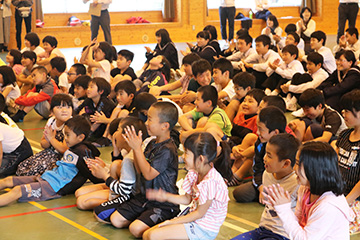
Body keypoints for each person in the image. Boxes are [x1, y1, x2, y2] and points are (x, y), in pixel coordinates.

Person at [94, 102, 180, 239]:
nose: (146, 123)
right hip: (143, 197)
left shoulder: (168, 149)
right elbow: (140, 171)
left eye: (150, 119)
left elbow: (149, 174)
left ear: (165, 126)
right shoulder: (152, 143)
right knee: (116, 220)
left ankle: (170, 219)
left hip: (162, 203)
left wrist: (137, 148)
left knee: (135, 229)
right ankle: (144, 218)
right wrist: (135, 148)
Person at [143, 132, 231, 240]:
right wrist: (165, 196)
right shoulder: (195, 173)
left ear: (201, 159)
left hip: (204, 229)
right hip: (194, 220)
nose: (183, 156)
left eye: (186, 153)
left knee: (153, 236)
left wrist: (172, 222)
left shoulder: (211, 182)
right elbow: (187, 199)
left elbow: (199, 213)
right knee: (147, 234)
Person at [0, 115, 103, 207]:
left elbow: (90, 173)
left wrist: (105, 182)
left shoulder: (82, 152)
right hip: (47, 177)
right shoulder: (72, 148)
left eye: (68, 135)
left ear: (80, 137)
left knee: (18, 190)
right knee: (8, 180)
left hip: (54, 186)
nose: (65, 138)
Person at [263, 141, 354, 239]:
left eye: (298, 163)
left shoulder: (328, 206)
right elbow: (298, 223)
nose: (294, 168)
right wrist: (281, 206)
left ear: (314, 169)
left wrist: (284, 210)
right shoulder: (305, 189)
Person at [231, 133, 300, 240]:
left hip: (282, 235)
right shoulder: (267, 174)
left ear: (286, 164)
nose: (264, 158)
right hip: (263, 230)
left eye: (269, 155)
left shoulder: (297, 184)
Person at [76, 117, 147, 210]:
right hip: (120, 186)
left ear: (127, 136)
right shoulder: (127, 151)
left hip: (126, 193)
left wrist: (104, 175)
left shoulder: (130, 157)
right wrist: (106, 166)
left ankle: (116, 203)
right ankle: (112, 194)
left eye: (118, 130)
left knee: (82, 202)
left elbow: (125, 187)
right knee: (79, 193)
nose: (114, 134)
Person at [232, 106, 287, 200]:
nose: (257, 132)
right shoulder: (260, 143)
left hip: (284, 184)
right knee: (240, 193)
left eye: (261, 129)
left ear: (275, 132)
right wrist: (261, 188)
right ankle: (266, 195)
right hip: (265, 181)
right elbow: (257, 169)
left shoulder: (288, 147)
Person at [16, 94, 73, 176]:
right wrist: (48, 140)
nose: (64, 110)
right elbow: (43, 144)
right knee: (22, 167)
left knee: (34, 172)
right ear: (51, 111)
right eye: (59, 107)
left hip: (64, 158)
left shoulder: (71, 124)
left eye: (68, 107)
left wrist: (51, 138)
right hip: (50, 152)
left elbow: (64, 149)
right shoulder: (51, 121)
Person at [334, 90, 360, 233]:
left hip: (355, 200)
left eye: (348, 110)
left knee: (335, 225)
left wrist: (345, 202)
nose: (344, 113)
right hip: (338, 193)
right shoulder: (344, 135)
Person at [76, 77, 116, 144]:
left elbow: (97, 120)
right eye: (88, 87)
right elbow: (77, 112)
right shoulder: (89, 100)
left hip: (105, 130)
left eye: (91, 87)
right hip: (94, 129)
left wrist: (86, 136)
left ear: (101, 91)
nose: (88, 89)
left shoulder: (104, 101)